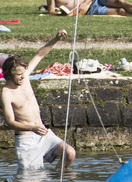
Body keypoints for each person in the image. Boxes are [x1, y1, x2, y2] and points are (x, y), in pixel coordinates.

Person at [3, 30, 77, 168]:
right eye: (18, 75)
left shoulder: (25, 76)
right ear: (8, 74)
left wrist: (56, 39)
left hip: (43, 134)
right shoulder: (6, 93)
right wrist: (32, 128)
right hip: (26, 141)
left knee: (69, 153)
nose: (22, 77)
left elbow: (40, 55)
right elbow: (10, 122)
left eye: (23, 73)